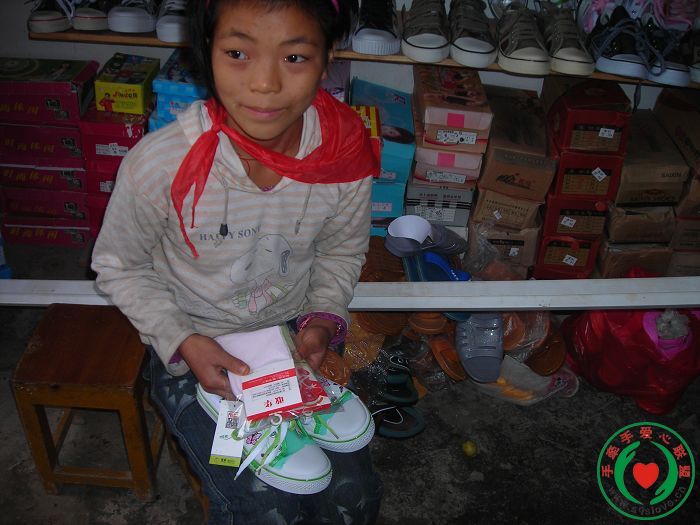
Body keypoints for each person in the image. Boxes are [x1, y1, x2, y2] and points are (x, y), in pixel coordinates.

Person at [91, 0, 383, 523]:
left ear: (328, 58)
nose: (265, 84)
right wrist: (182, 340)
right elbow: (119, 266)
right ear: (207, 51)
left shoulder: (343, 152)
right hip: (195, 338)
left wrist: (321, 319)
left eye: (294, 57)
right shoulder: (161, 164)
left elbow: (340, 250)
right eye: (237, 53)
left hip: (294, 332)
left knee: (353, 494)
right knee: (265, 506)